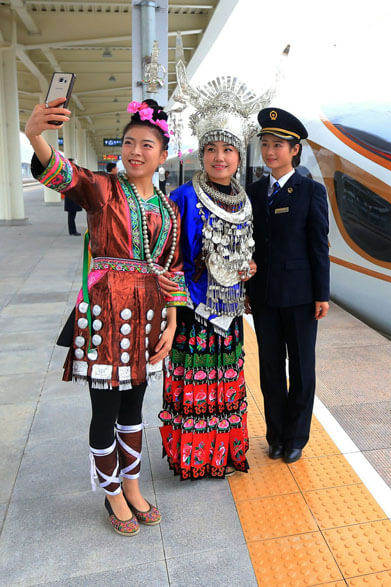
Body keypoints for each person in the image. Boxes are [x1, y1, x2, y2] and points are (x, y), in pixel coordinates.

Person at [25, 97, 187, 536]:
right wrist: (36, 135)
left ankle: (132, 484)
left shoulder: (170, 210)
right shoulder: (103, 190)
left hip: (149, 318)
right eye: (129, 142)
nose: (135, 151)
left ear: (162, 154)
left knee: (135, 406)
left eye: (146, 144)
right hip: (107, 314)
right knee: (105, 408)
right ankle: (111, 491)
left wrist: (173, 323)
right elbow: (66, 174)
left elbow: (171, 268)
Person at [157, 69, 262, 479]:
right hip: (193, 313)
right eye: (212, 149)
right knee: (195, 387)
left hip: (231, 312)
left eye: (228, 150)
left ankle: (223, 453)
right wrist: (176, 309)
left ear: (239, 156)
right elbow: (170, 257)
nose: (220, 157)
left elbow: (248, 250)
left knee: (226, 380)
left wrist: (250, 267)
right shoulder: (183, 196)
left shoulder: (245, 200)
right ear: (201, 154)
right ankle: (193, 457)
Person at [245, 107, 329, 464]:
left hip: (300, 297)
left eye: (278, 145)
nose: (270, 151)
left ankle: (296, 437)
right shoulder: (252, 191)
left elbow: (319, 245)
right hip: (264, 297)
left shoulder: (310, 191)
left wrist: (321, 293)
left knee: (302, 369)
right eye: (265, 144)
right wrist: (247, 291)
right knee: (270, 370)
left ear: (295, 150)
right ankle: (276, 435)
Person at [64, 157, 82, 235]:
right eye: (73, 163)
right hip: (71, 196)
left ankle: (72, 231)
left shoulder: (68, 172)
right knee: (71, 215)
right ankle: (72, 231)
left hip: (71, 196)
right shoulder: (69, 173)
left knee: (71, 215)